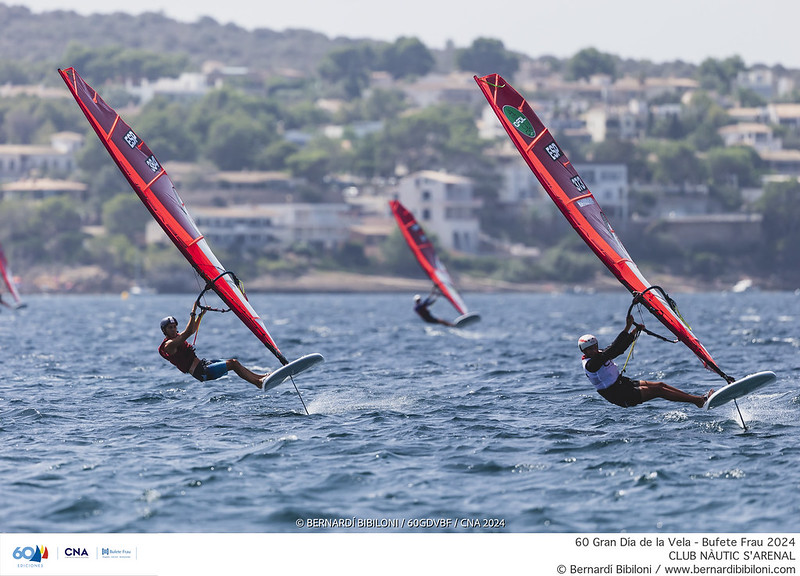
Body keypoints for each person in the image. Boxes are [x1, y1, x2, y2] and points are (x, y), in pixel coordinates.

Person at [578, 314, 712, 408]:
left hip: (623, 384)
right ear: (584, 352)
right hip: (618, 394)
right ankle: (699, 401)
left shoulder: (600, 354)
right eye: (589, 349)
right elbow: (612, 350)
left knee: (660, 385)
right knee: (659, 391)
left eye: (595, 347)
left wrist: (633, 333)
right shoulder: (591, 365)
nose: (594, 350)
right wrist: (627, 327)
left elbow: (618, 349)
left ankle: (697, 399)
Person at [158, 301, 269, 388]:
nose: (173, 329)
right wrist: (193, 311)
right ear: (164, 331)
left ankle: (260, 378)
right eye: (170, 328)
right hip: (201, 372)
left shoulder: (176, 338)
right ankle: (258, 383)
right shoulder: (169, 345)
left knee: (235, 362)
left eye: (174, 327)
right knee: (233, 364)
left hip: (203, 365)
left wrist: (200, 315)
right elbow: (188, 332)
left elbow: (192, 330)